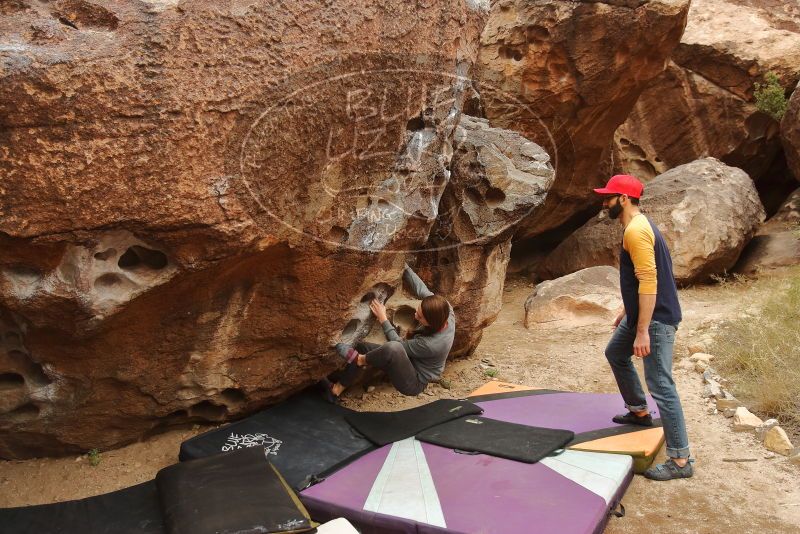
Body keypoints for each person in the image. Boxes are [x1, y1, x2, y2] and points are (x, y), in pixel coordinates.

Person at [594, 174, 694, 481]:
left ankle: (680, 461)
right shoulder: (637, 225)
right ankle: (638, 411)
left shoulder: (636, 230)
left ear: (624, 199)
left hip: (657, 319)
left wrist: (642, 330)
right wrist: (628, 311)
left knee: (662, 386)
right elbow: (644, 277)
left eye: (609, 197)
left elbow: (650, 281)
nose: (605, 202)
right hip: (644, 314)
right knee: (615, 352)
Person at [322, 263, 454, 402]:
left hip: (413, 381)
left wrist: (383, 318)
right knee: (362, 347)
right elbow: (421, 289)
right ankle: (336, 390)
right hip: (410, 360)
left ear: (431, 322)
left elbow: (396, 345)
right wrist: (404, 267)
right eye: (418, 310)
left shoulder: (432, 344)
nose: (415, 315)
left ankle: (360, 360)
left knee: (392, 348)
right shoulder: (445, 310)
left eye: (420, 317)